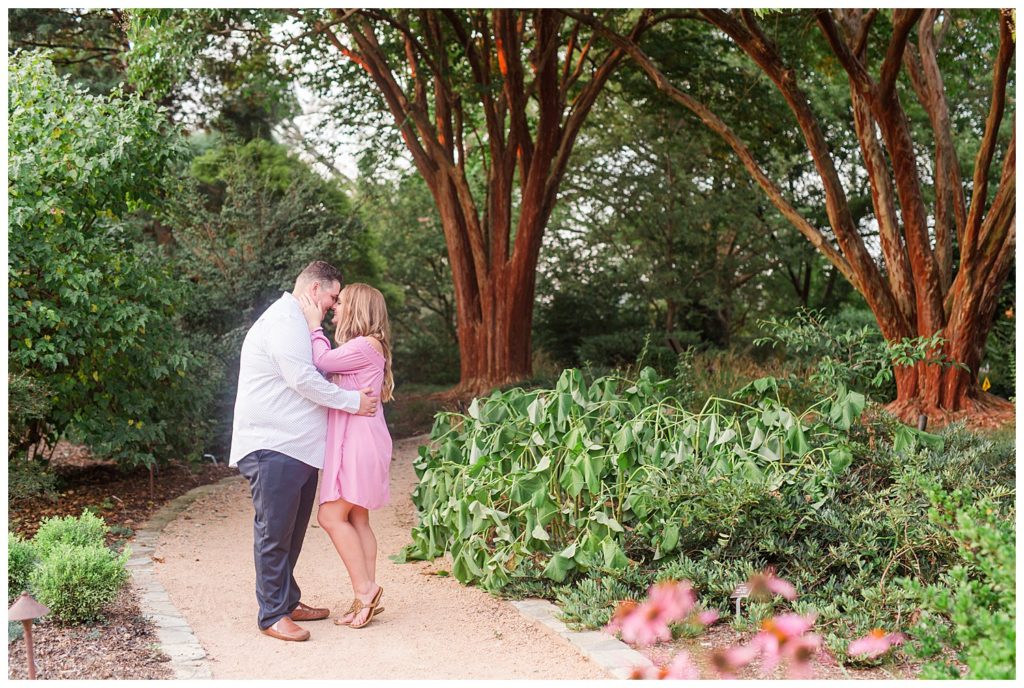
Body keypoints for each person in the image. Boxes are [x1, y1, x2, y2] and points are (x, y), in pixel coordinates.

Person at [229, 261, 378, 643]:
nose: (332, 305)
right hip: (273, 445)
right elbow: (304, 379)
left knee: (291, 532)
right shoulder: (284, 321)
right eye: (332, 296)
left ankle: (287, 600)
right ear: (315, 289)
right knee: (274, 532)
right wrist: (351, 402)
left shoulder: (296, 323)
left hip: (296, 448)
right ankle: (272, 614)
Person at [299, 283, 394, 629]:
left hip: (359, 441)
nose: (335, 308)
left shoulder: (365, 345)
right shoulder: (365, 347)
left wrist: (313, 326)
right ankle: (363, 598)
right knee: (356, 519)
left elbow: (321, 361)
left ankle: (366, 590)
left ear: (357, 308)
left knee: (329, 516)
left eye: (341, 303)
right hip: (359, 438)